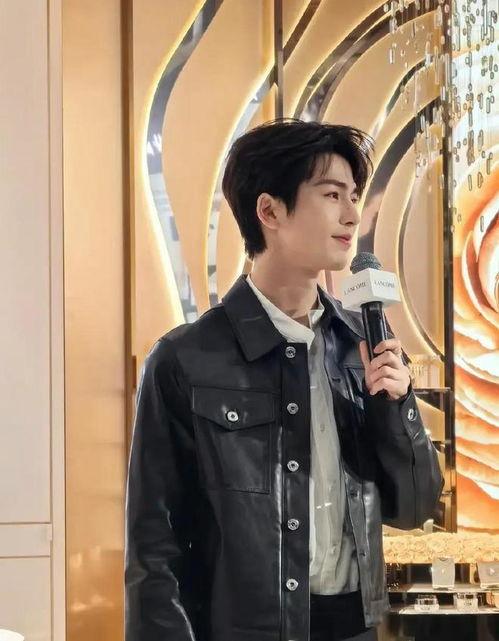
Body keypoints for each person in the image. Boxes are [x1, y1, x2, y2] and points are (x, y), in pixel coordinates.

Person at [125, 118, 444, 641]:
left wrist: (397, 406)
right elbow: (153, 550)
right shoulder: (186, 360)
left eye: (354, 196)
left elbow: (413, 508)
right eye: (332, 194)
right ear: (270, 211)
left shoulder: (363, 347)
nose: (352, 213)